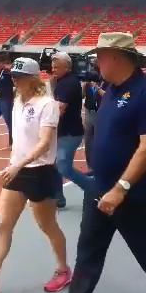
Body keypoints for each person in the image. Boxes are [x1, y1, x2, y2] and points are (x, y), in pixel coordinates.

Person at [58, 32, 146, 293]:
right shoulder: (110, 88)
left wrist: (121, 188)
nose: (96, 63)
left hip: (133, 195)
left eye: (99, 57)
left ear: (114, 57)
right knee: (87, 255)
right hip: (99, 188)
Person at [0, 57, 72, 293]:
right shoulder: (17, 102)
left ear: (33, 79)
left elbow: (44, 143)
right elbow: (20, 140)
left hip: (40, 172)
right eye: (13, 77)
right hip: (17, 171)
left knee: (47, 225)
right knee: (3, 226)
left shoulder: (48, 104)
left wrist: (20, 164)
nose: (15, 81)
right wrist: (13, 163)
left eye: (19, 78)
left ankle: (63, 270)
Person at [51, 51, 94, 208]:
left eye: (56, 67)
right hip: (65, 131)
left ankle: (93, 188)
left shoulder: (67, 83)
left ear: (67, 67)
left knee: (63, 167)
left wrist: (43, 125)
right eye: (52, 66)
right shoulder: (63, 82)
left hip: (69, 133)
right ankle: (58, 198)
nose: (53, 69)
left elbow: (59, 109)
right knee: (55, 165)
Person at [82, 70, 106, 174]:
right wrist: (84, 86)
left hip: (100, 113)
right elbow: (82, 96)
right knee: (88, 141)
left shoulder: (105, 84)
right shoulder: (87, 85)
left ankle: (100, 165)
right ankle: (90, 166)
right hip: (89, 112)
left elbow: (107, 96)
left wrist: (97, 87)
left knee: (99, 140)